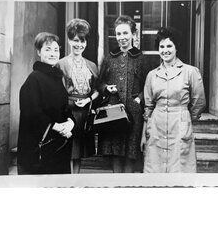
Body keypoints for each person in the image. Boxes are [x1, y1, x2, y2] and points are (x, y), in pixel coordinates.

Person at [141, 27, 206, 173]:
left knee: (180, 169)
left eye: (169, 46)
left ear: (176, 48)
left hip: (179, 124)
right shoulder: (152, 75)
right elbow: (149, 106)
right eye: (161, 46)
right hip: (156, 125)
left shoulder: (190, 72)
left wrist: (186, 117)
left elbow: (199, 101)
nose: (165, 50)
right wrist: (147, 130)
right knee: (155, 171)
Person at [17, 32, 74, 175]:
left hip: (58, 145)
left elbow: (64, 108)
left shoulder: (56, 77)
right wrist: (56, 126)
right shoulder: (34, 79)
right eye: (47, 49)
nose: (53, 53)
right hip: (39, 150)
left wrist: (70, 122)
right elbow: (31, 112)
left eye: (56, 50)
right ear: (39, 52)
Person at [97, 15, 147, 173]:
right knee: (116, 154)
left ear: (133, 34)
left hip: (134, 112)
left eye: (125, 33)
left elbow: (149, 85)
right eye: (118, 34)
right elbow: (99, 83)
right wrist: (106, 88)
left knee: (131, 155)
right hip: (113, 113)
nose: (122, 37)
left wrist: (139, 99)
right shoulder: (110, 58)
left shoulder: (141, 58)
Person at [56, 19, 99, 174]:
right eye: (75, 40)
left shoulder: (92, 65)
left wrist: (88, 100)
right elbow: (57, 91)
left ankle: (76, 180)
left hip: (84, 113)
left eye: (82, 41)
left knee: (79, 152)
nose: (79, 45)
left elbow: (97, 90)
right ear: (69, 40)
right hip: (67, 112)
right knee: (67, 149)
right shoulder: (61, 64)